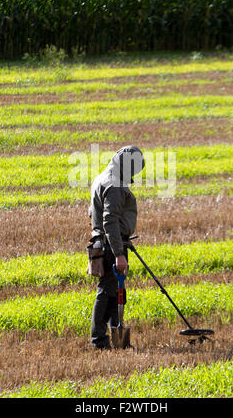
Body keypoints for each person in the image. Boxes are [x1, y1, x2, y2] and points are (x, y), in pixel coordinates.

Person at [88, 145, 145, 349]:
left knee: (114, 292)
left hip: (104, 242)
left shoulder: (103, 177)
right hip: (112, 244)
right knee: (106, 292)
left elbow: (92, 213)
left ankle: (116, 338)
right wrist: (119, 253)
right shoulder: (115, 185)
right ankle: (99, 341)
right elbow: (109, 220)